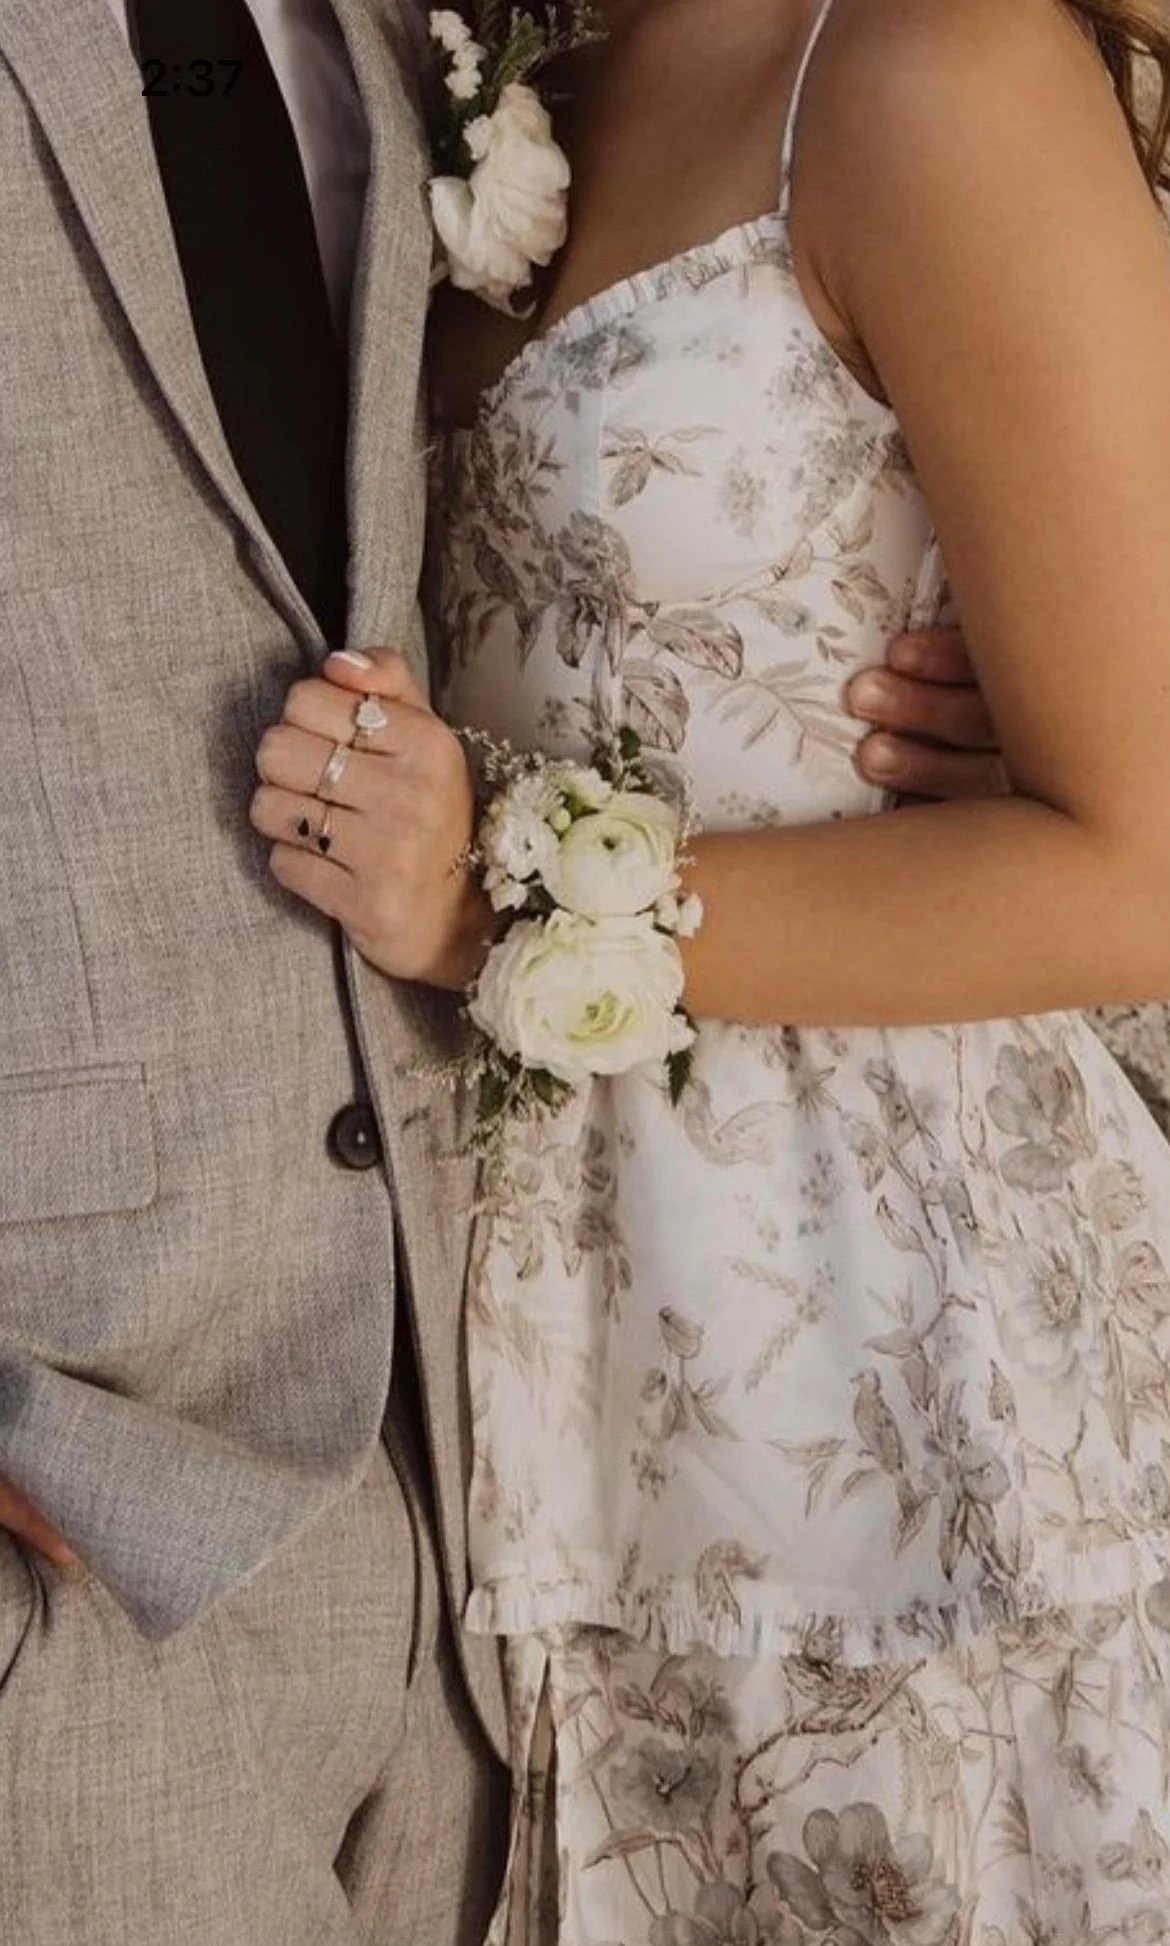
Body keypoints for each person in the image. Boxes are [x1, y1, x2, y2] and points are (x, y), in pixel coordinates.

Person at [250, 0, 1170, 1939]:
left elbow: (1142, 865)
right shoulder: (490, 81)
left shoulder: (938, 65)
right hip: (554, 1402)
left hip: (898, 1390)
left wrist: (504, 908)